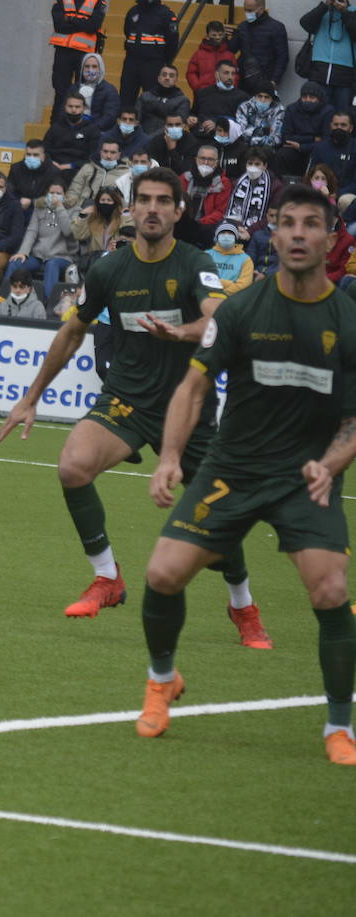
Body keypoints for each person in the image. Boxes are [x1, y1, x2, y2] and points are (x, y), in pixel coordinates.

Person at [0, 166, 268, 644]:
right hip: (126, 398)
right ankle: (108, 579)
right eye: (145, 199)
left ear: (179, 212)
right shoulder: (109, 269)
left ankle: (242, 606)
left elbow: (217, 317)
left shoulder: (194, 263)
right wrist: (30, 397)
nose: (153, 209)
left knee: (217, 524)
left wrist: (186, 331)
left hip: (188, 407)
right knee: (73, 466)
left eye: (164, 201)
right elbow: (73, 331)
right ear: (131, 207)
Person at [138, 182, 356, 765]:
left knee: (331, 590)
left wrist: (330, 464)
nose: (299, 234)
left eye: (312, 224)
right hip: (230, 469)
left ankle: (340, 725)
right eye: (288, 223)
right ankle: (162, 680)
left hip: (303, 477)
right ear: (274, 233)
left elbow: (354, 421)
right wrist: (168, 459)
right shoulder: (241, 309)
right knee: (162, 574)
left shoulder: (347, 320)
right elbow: (193, 384)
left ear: (330, 238)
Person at [11, 178, 78, 302]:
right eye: (51, 193)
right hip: (38, 255)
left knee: (52, 265)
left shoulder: (74, 210)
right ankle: (6, 299)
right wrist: (23, 252)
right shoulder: (40, 208)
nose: (54, 196)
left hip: (62, 257)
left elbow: (68, 231)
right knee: (15, 262)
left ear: (65, 195)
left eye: (58, 193)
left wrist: (59, 207)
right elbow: (32, 231)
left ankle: (49, 303)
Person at [300, 0, 356, 116]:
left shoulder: (352, 12)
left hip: (345, 73)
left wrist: (344, 12)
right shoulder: (323, 11)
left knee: (342, 114)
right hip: (319, 71)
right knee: (316, 113)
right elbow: (305, 23)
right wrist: (325, 5)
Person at [120, 0, 179, 110]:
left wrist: (162, 60)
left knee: (152, 103)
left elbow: (173, 42)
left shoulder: (166, 14)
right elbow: (127, 32)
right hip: (131, 62)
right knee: (126, 100)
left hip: (153, 64)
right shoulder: (133, 11)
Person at [49, 0, 107, 106]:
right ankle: (58, 122)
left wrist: (70, 19)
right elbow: (59, 25)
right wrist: (82, 23)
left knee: (83, 92)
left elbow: (92, 26)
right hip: (63, 51)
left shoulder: (98, 1)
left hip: (84, 53)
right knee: (60, 92)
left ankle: (80, 122)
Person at [227, 0, 289, 95]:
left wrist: (274, 80)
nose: (247, 13)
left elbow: (282, 57)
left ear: (261, 9)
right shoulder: (243, 26)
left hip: (264, 80)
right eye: (245, 10)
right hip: (242, 79)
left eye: (250, 10)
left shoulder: (276, 28)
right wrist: (225, 38)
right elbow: (231, 50)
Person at [179, 143, 232, 248]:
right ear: (196, 159)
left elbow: (220, 211)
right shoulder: (184, 178)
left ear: (216, 163)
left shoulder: (223, 182)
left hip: (206, 226)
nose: (206, 162)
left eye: (210, 159)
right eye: (202, 158)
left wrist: (198, 223)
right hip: (184, 222)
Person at [279, 82, 337, 175]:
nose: (307, 100)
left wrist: (302, 147)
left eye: (312, 97)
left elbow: (326, 140)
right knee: (282, 155)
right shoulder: (292, 109)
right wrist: (313, 138)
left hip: (315, 149)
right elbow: (286, 137)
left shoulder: (328, 111)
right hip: (295, 148)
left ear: (319, 99)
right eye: (304, 97)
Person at [45, 92, 100, 177]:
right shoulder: (56, 126)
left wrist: (72, 165)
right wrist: (52, 163)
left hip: (79, 170)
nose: (73, 110)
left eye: (77, 107)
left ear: (84, 108)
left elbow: (94, 156)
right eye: (70, 106)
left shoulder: (92, 129)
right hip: (54, 167)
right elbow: (44, 149)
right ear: (65, 107)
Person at [224, 146, 279, 228]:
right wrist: (237, 227)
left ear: (265, 166)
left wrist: (250, 231)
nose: (253, 167)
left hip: (259, 229)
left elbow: (271, 216)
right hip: (235, 226)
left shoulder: (275, 186)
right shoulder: (237, 183)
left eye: (257, 164)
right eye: (250, 163)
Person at [67, 138, 128, 207]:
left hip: (111, 211)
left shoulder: (126, 174)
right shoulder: (88, 168)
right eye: (105, 151)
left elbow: (127, 199)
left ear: (119, 155)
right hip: (82, 209)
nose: (108, 156)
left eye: (113, 152)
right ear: (100, 152)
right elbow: (73, 191)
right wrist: (73, 209)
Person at [73, 185, 127, 259]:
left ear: (115, 202)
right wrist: (82, 216)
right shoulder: (92, 219)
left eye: (109, 200)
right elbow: (78, 235)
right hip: (96, 261)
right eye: (102, 200)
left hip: (116, 260)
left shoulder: (123, 219)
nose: (105, 203)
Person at [136, 63, 189, 136]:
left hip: (165, 139)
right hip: (141, 136)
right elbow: (136, 119)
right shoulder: (145, 96)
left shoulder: (183, 101)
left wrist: (150, 139)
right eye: (164, 75)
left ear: (176, 80)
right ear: (158, 78)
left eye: (171, 76)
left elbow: (175, 125)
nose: (167, 78)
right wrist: (140, 137)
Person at [74, 52, 119, 134]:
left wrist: (89, 129)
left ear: (100, 69)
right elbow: (63, 111)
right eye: (87, 66)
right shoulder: (74, 88)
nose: (90, 70)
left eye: (94, 66)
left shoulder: (110, 90)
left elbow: (109, 117)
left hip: (98, 132)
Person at [186, 20, 236, 93]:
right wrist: (198, 88)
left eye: (220, 35)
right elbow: (191, 73)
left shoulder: (229, 55)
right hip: (203, 94)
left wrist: (230, 88)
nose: (217, 37)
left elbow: (236, 75)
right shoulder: (198, 54)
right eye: (214, 35)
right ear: (207, 36)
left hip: (225, 94)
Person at [205, 220, 254, 293]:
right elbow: (199, 280)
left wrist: (221, 293)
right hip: (206, 299)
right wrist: (230, 283)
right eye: (223, 233)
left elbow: (244, 286)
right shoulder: (206, 255)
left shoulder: (246, 260)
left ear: (236, 237)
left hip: (231, 302)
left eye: (230, 233)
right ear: (217, 237)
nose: (226, 236)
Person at [234, 82, 284, 149]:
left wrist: (252, 135)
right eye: (260, 96)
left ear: (272, 98)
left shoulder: (279, 111)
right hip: (245, 145)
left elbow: (276, 138)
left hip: (266, 148)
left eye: (266, 97)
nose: (262, 100)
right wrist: (261, 131)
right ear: (255, 96)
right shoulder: (244, 107)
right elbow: (239, 131)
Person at [8, 139, 54, 210]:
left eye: (35, 155)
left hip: (42, 210)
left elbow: (54, 197)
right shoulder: (15, 168)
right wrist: (19, 202)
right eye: (28, 154)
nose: (31, 158)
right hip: (18, 208)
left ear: (43, 156)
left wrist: (32, 202)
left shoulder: (53, 172)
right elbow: (9, 191)